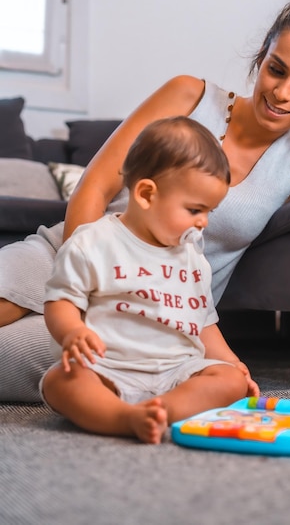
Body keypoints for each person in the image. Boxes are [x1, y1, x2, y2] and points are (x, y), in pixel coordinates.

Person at [1, 0, 290, 400]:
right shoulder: (189, 96)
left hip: (152, 316)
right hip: (70, 253)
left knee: (18, 359)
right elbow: (94, 187)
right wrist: (88, 283)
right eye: (277, 70)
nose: (282, 93)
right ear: (261, 58)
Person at [40, 116, 259, 443]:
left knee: (228, 381)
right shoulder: (93, 242)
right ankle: (124, 417)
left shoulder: (192, 258)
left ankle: (162, 410)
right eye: (195, 210)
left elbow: (204, 323)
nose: (203, 223)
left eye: (209, 212)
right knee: (61, 381)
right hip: (108, 368)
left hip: (177, 372)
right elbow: (60, 301)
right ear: (146, 194)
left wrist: (233, 364)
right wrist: (73, 331)